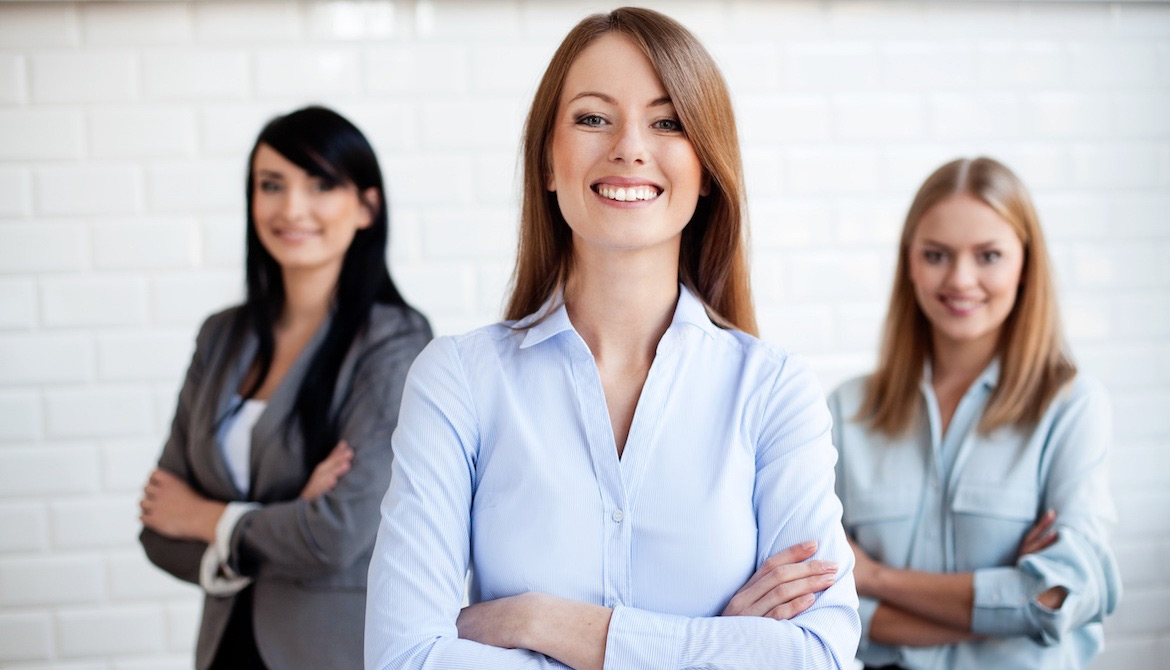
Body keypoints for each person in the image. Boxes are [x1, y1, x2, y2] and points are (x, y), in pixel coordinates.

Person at [365, 8, 860, 670]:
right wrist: (712, 645)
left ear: (706, 167)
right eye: (593, 118)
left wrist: (538, 621)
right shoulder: (458, 379)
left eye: (668, 122)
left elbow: (819, 656)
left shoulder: (773, 390)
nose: (630, 147)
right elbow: (404, 658)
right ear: (547, 159)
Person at [138, 105, 432, 670]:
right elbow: (157, 526)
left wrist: (210, 519)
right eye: (271, 185)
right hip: (224, 648)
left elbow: (338, 533)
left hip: (329, 650)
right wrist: (289, 511)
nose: (292, 208)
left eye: (320, 184)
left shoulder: (393, 340)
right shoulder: (221, 336)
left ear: (367, 206)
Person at [829, 157, 1121, 669]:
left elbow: (1062, 595)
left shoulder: (1071, 407)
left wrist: (876, 578)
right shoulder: (847, 410)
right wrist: (1008, 601)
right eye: (937, 254)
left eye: (988, 255)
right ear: (910, 264)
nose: (961, 279)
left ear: (1025, 264)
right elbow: (818, 597)